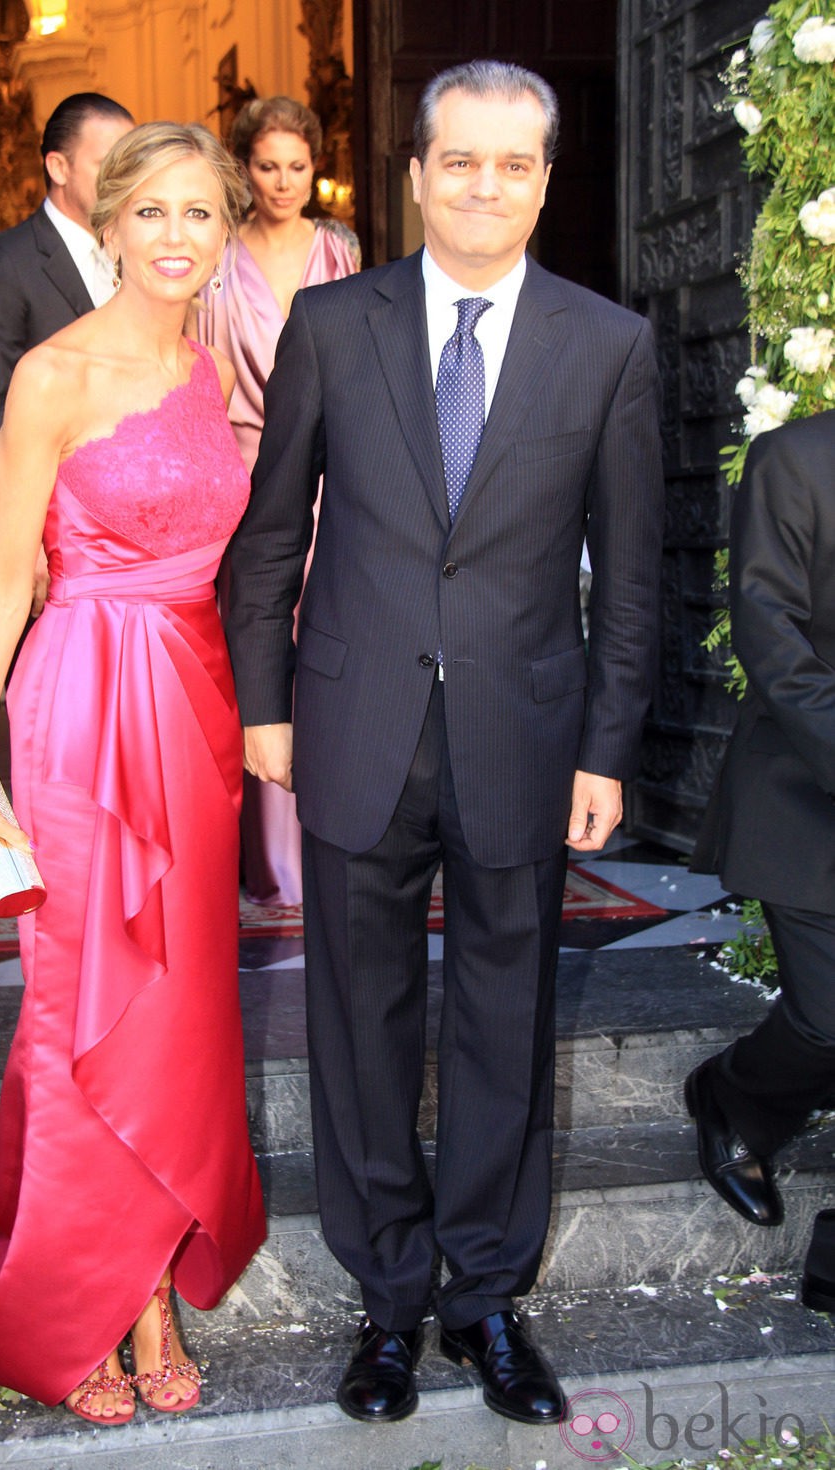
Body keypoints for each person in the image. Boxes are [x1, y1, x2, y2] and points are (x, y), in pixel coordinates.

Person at [226, 59, 664, 1426]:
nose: (483, 185)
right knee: (360, 1027)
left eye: (511, 163)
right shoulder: (330, 322)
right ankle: (389, 1301)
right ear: (414, 176)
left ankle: (484, 1293)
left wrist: (605, 747)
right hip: (352, 729)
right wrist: (264, 708)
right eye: (457, 161)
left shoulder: (609, 346)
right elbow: (268, 540)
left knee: (503, 1021)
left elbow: (635, 576)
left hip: (522, 738)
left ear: (543, 179)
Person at [0, 121, 266, 1422]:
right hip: (78, 706)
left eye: (204, 214)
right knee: (82, 1006)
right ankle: (92, 1299)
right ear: (108, 224)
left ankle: (153, 1283)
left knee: (181, 1010)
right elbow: (6, 579)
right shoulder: (52, 376)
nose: (180, 236)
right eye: (156, 212)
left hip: (190, 709)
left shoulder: (212, 366)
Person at [687, 409, 835, 1314]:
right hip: (805, 793)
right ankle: (733, 1097)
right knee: (829, 1021)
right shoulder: (796, 458)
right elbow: (771, 640)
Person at [198, 95, 360, 906]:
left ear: (315, 166)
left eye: (298, 165)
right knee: (256, 654)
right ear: (245, 168)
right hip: (243, 480)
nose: (284, 180)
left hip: (338, 477)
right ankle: (269, 862)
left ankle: (337, 829)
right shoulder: (216, 258)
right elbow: (201, 374)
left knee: (332, 649)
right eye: (268, 165)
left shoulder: (343, 249)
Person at [0, 92, 134, 584]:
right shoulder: (1, 263)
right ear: (58, 166)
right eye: (108, 165)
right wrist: (23, 536)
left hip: (123, 537)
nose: (125, 180)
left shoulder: (136, 259)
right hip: (44, 534)